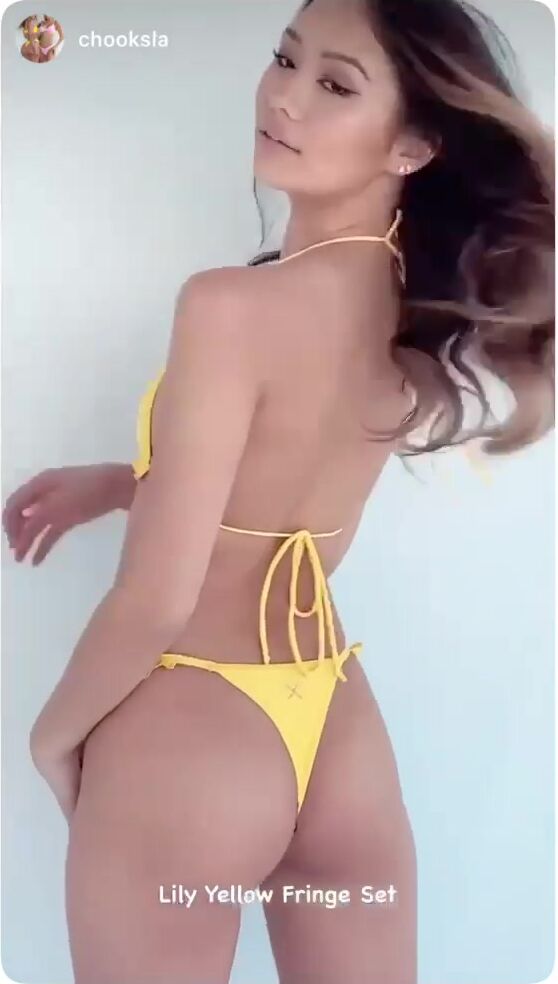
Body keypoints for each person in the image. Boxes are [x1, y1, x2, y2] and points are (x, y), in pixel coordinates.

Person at [4, 0, 554, 981]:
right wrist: (128, 483)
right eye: (285, 59)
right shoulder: (412, 313)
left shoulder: (230, 305)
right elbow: (280, 475)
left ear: (415, 146)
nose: (285, 98)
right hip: (339, 733)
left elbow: (157, 598)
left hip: (193, 731)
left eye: (336, 85)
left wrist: (52, 737)